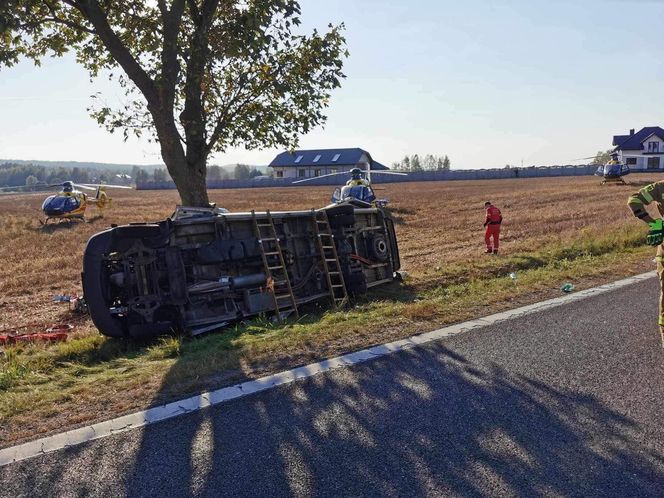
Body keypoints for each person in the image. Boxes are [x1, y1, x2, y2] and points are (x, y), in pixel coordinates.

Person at [628, 182, 664, 346]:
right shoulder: (660, 188)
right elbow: (633, 201)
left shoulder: (660, 188)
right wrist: (654, 223)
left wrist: (654, 223)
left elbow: (634, 201)